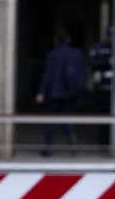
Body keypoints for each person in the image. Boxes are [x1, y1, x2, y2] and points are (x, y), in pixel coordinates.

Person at [35, 27, 87, 155]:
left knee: (51, 119)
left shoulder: (53, 55)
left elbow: (47, 75)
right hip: (70, 92)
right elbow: (83, 72)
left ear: (56, 40)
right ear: (68, 39)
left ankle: (48, 148)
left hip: (55, 92)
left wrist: (41, 92)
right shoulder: (76, 53)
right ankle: (73, 141)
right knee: (67, 118)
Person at [88, 26, 115, 145]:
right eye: (110, 36)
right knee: (103, 115)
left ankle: (112, 140)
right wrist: (107, 63)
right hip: (102, 88)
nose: (112, 39)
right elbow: (92, 63)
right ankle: (102, 142)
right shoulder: (98, 48)